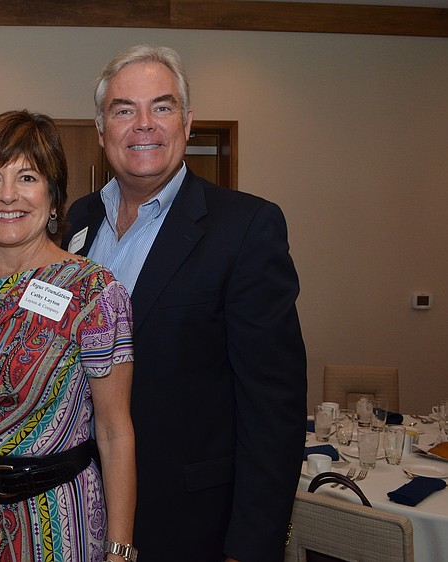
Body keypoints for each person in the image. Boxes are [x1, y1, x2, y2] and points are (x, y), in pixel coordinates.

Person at [63, 46, 307, 561]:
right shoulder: (76, 222)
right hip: (75, 506)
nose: (143, 124)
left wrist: (250, 546)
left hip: (189, 523)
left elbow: (273, 408)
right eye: (124, 109)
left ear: (188, 122)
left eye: (163, 107)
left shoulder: (245, 228)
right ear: (103, 127)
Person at [0, 110, 137, 561]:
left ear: (54, 196)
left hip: (55, 517)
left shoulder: (95, 292)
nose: (7, 195)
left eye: (27, 176)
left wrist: (120, 551)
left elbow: (115, 430)